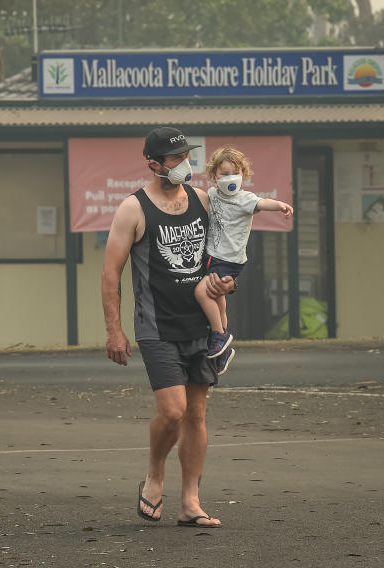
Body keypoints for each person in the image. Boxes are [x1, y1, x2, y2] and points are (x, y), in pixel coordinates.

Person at [101, 126, 235, 529]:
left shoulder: (204, 201)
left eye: (186, 156)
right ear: (154, 165)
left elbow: (221, 259)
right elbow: (111, 274)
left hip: (202, 324)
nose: (184, 164)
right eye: (175, 159)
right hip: (157, 328)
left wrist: (227, 280)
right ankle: (155, 473)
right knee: (173, 409)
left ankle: (190, 502)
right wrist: (114, 331)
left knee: (196, 414)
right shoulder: (133, 209)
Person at [195, 147, 293, 374]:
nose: (229, 178)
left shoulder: (244, 199)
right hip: (212, 255)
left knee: (202, 292)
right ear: (213, 176)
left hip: (229, 260)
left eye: (235, 172)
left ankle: (219, 335)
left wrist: (280, 205)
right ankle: (223, 349)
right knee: (217, 296)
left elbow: (262, 203)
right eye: (224, 173)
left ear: (243, 174)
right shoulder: (211, 194)